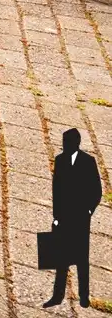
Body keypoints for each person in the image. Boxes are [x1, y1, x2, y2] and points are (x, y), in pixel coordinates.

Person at [49, 127, 102, 308]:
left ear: (76, 143)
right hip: (64, 217)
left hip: (80, 218)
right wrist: (56, 216)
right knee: (61, 258)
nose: (65, 146)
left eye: (68, 143)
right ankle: (57, 295)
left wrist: (88, 211)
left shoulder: (88, 162)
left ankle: (84, 296)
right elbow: (57, 190)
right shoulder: (60, 160)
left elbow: (96, 190)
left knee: (81, 259)